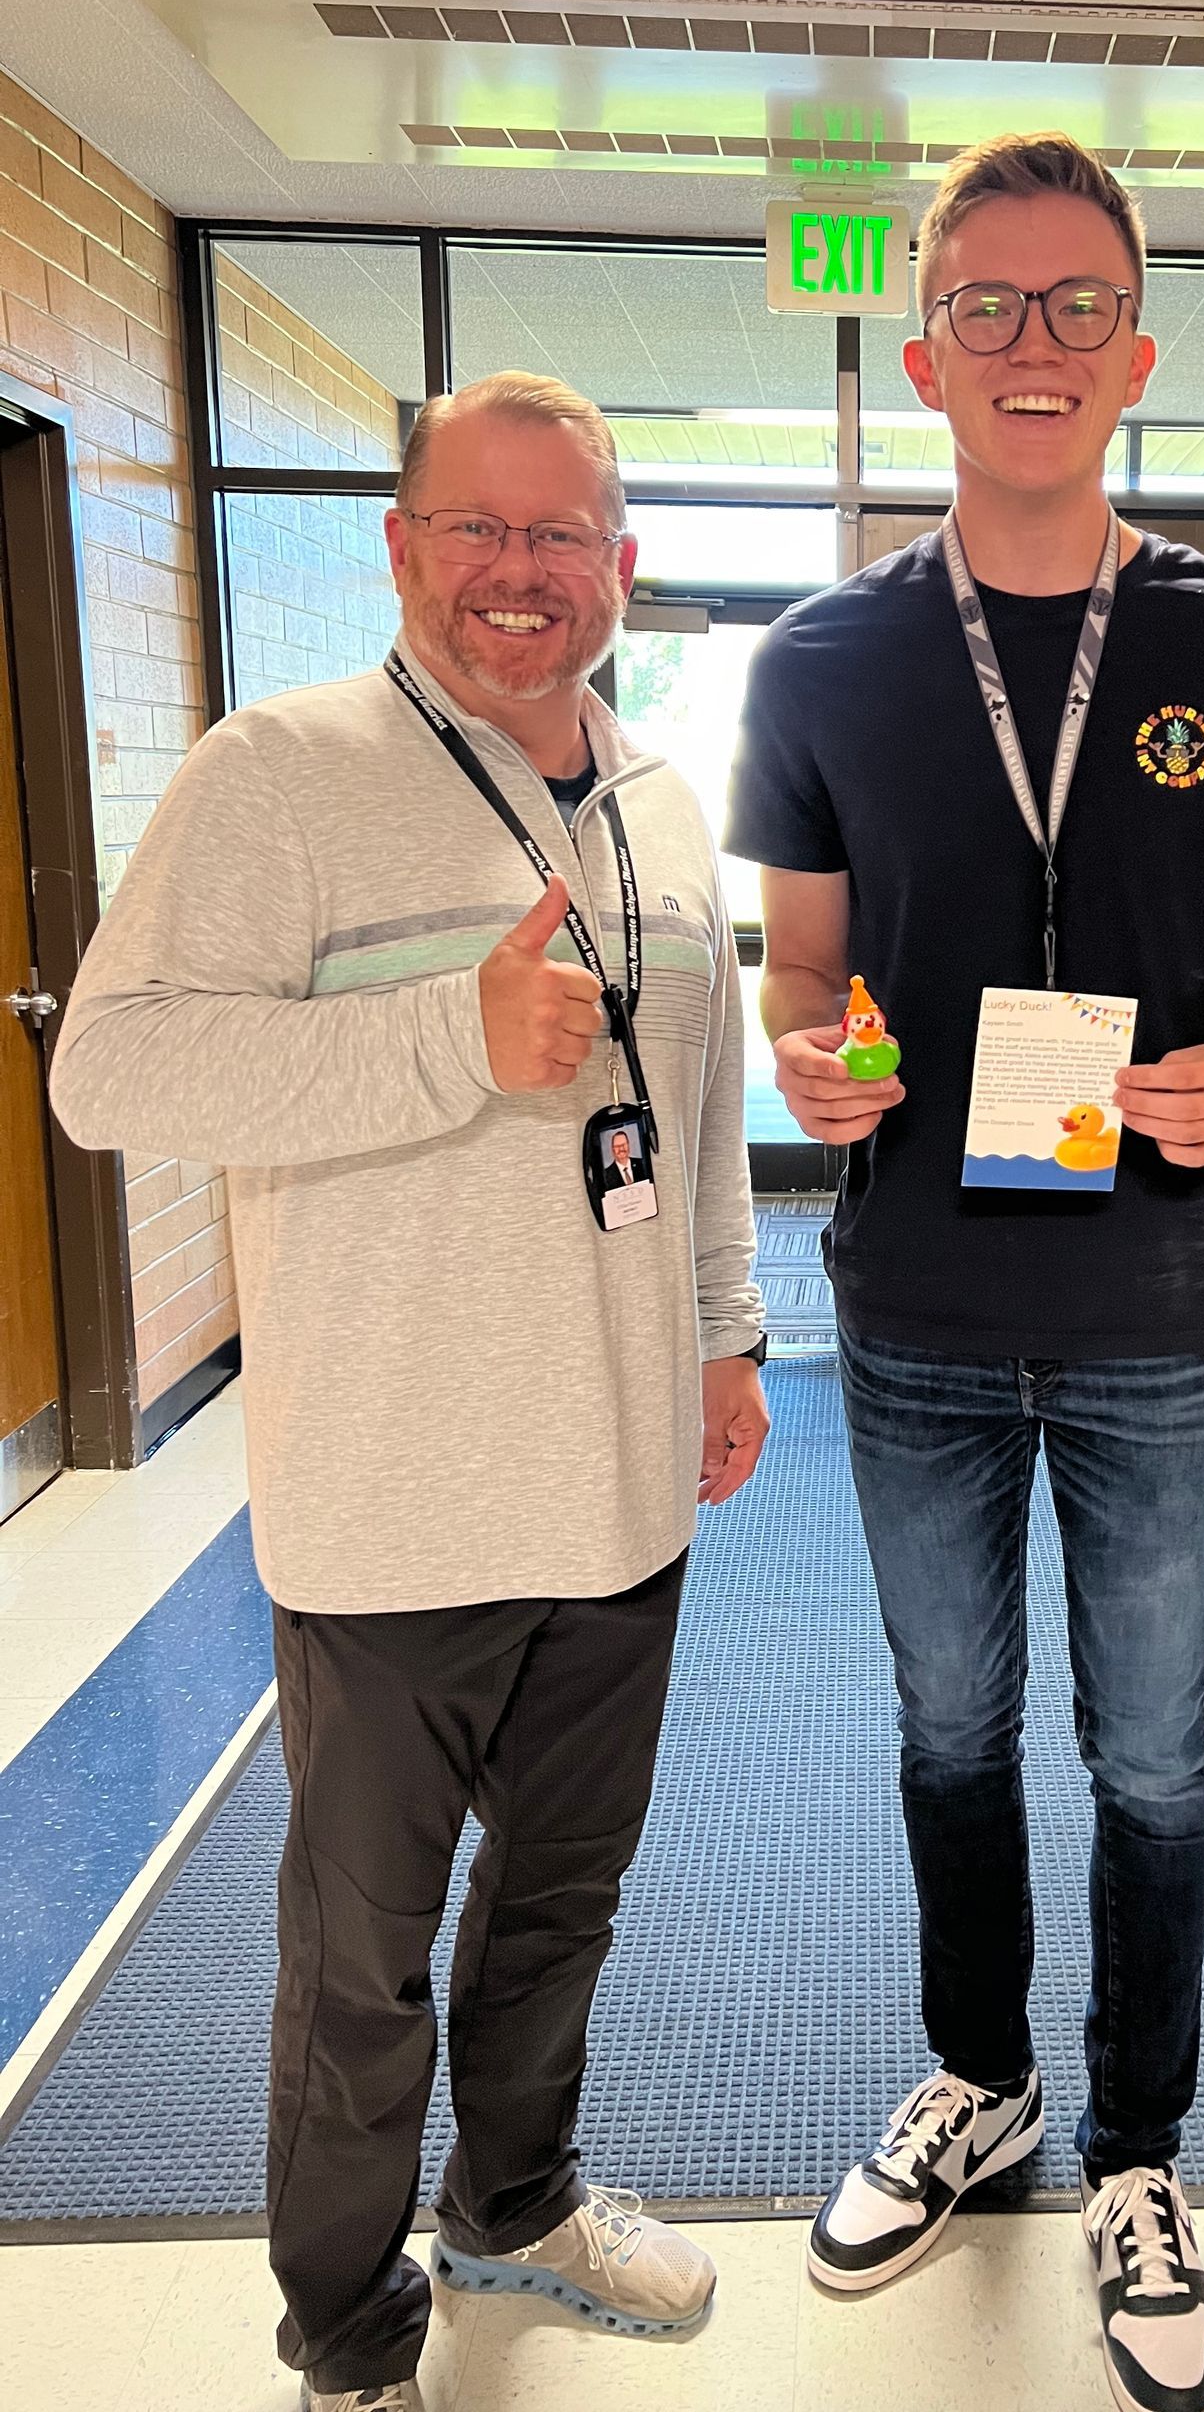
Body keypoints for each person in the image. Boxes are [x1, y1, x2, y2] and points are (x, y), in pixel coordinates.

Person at [50, 372, 770, 2412]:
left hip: (620, 1490)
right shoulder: (276, 776)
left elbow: (690, 1101)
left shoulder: (660, 798)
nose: (521, 573)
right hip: (386, 1507)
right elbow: (110, 1074)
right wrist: (444, 1038)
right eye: (478, 526)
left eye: (564, 535)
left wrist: (726, 1329)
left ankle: (518, 2198)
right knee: (355, 1975)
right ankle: (350, 2330)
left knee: (557, 1909)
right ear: (400, 545)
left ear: (624, 565)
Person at [727, 133, 1204, 2412]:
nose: (1028, 342)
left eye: (1072, 302)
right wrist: (818, 1051)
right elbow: (802, 969)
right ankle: (976, 2074)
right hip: (909, 1304)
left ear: (1137, 353)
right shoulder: (820, 657)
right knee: (944, 1730)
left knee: (1162, 1754)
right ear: (919, 350)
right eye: (984, 303)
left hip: (1170, 1308)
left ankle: (1139, 2149)